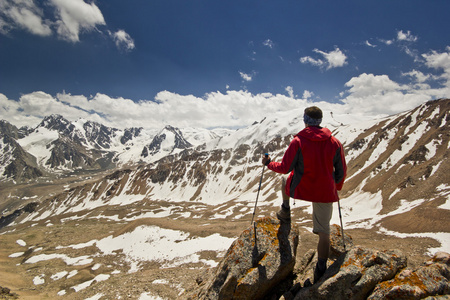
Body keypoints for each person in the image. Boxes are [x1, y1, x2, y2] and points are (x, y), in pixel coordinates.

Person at [261, 106, 347, 282]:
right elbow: (341, 171)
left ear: (305, 120)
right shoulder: (335, 142)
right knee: (324, 233)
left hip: (302, 188)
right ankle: (320, 268)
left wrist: (268, 163)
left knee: (285, 180)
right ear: (320, 121)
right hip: (325, 192)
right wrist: (335, 188)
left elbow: (285, 168)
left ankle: (285, 210)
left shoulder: (298, 141)